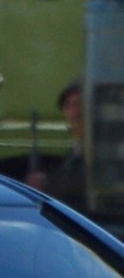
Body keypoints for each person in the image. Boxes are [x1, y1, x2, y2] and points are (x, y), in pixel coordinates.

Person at [28, 78, 86, 206]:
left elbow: (79, 184)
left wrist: (46, 185)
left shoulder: (99, 146)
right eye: (68, 105)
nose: (74, 112)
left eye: (79, 103)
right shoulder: (77, 147)